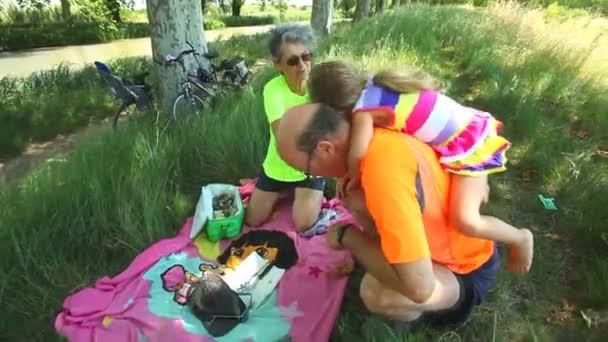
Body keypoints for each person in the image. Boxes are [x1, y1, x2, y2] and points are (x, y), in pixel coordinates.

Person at [275, 102, 502, 327]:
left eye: (305, 171)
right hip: (441, 239)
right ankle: (402, 260)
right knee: (355, 198)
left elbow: (421, 289)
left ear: (325, 148)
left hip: (466, 267)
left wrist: (348, 236)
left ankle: (440, 308)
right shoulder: (371, 127)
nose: (309, 176)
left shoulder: (382, 177)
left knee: (378, 294)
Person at [308, 61, 533, 273]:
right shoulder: (375, 87)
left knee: (466, 220)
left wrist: (351, 177)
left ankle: (520, 237)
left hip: (468, 145)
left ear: (334, 110)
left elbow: (357, 156)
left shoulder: (363, 112)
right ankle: (479, 185)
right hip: (465, 133)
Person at [245, 23, 325, 232]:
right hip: (278, 165)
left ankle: (304, 193)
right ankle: (281, 190)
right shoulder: (273, 89)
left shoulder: (320, 84)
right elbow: (282, 136)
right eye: (292, 60)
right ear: (277, 64)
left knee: (303, 225)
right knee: (253, 221)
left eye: (306, 56)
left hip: (311, 168)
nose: (302, 66)